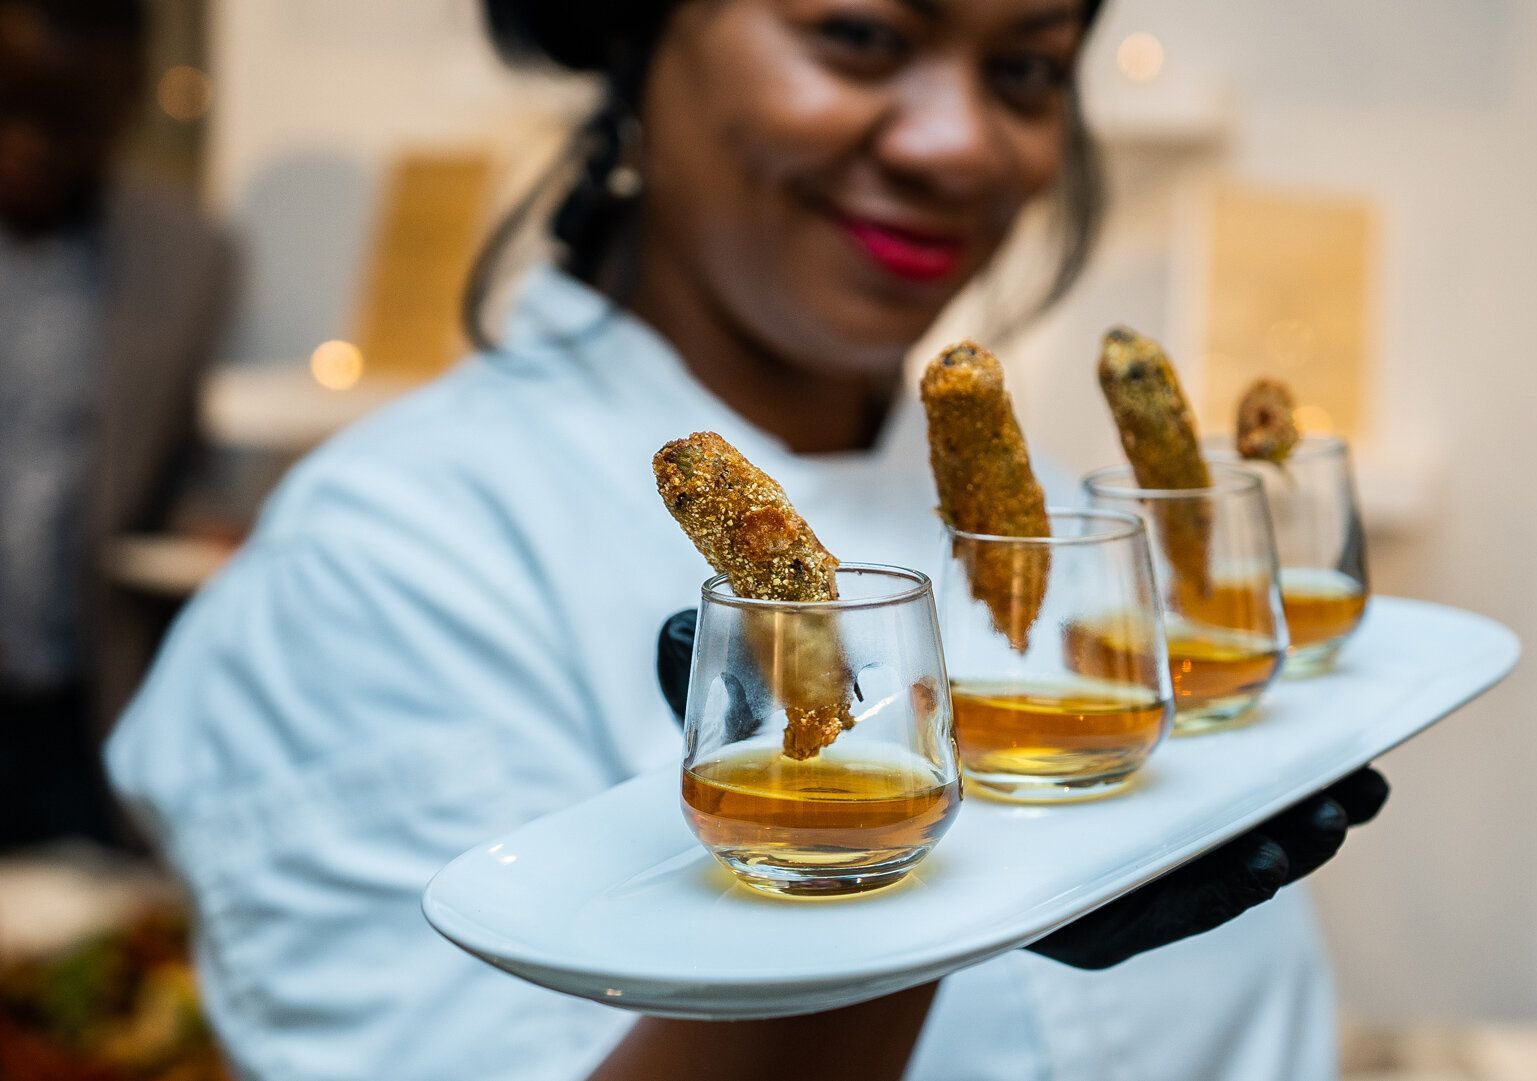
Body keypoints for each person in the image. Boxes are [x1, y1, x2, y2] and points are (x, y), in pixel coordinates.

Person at [108, 3, 1384, 1080]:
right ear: (635, 35)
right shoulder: (382, 568)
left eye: (1026, 70)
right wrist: (843, 915)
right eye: (858, 33)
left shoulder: (1074, 555)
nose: (958, 144)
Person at [0, 0, 235, 851]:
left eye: (65, 120)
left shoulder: (186, 256)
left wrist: (209, 518)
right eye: (11, 107)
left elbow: (176, 458)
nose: (30, 140)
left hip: (86, 693)